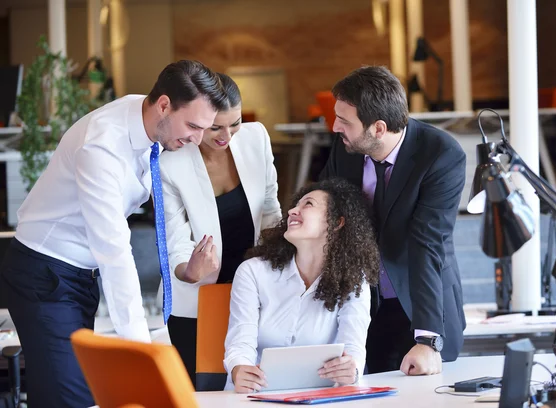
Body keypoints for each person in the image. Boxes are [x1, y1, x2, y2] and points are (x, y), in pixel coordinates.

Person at [0, 60, 228, 408]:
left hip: (79, 276)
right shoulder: (102, 147)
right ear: (164, 104)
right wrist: (141, 352)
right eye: (194, 126)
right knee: (72, 399)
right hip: (45, 276)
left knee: (74, 391)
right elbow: (115, 253)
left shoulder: (145, 115)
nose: (198, 139)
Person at [319, 65, 467, 376]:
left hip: (420, 303)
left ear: (379, 128)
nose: (334, 127)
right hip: (363, 306)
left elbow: (427, 244)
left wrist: (427, 338)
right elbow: (326, 208)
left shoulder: (441, 155)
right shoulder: (346, 147)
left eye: (344, 121)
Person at [159, 72, 281, 387]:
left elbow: (269, 209)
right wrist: (191, 270)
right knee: (201, 391)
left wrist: (279, 264)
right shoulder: (169, 164)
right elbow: (174, 240)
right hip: (197, 297)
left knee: (252, 389)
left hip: (252, 291)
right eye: (215, 127)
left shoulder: (255, 137)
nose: (227, 135)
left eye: (235, 123)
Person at [223, 178, 380, 393]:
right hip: (255, 394)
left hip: (321, 397)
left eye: (308, 204)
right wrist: (238, 369)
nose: (292, 211)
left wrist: (351, 370)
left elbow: (354, 346)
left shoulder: (354, 278)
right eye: (295, 205)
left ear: (336, 223)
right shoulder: (253, 271)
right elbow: (240, 342)